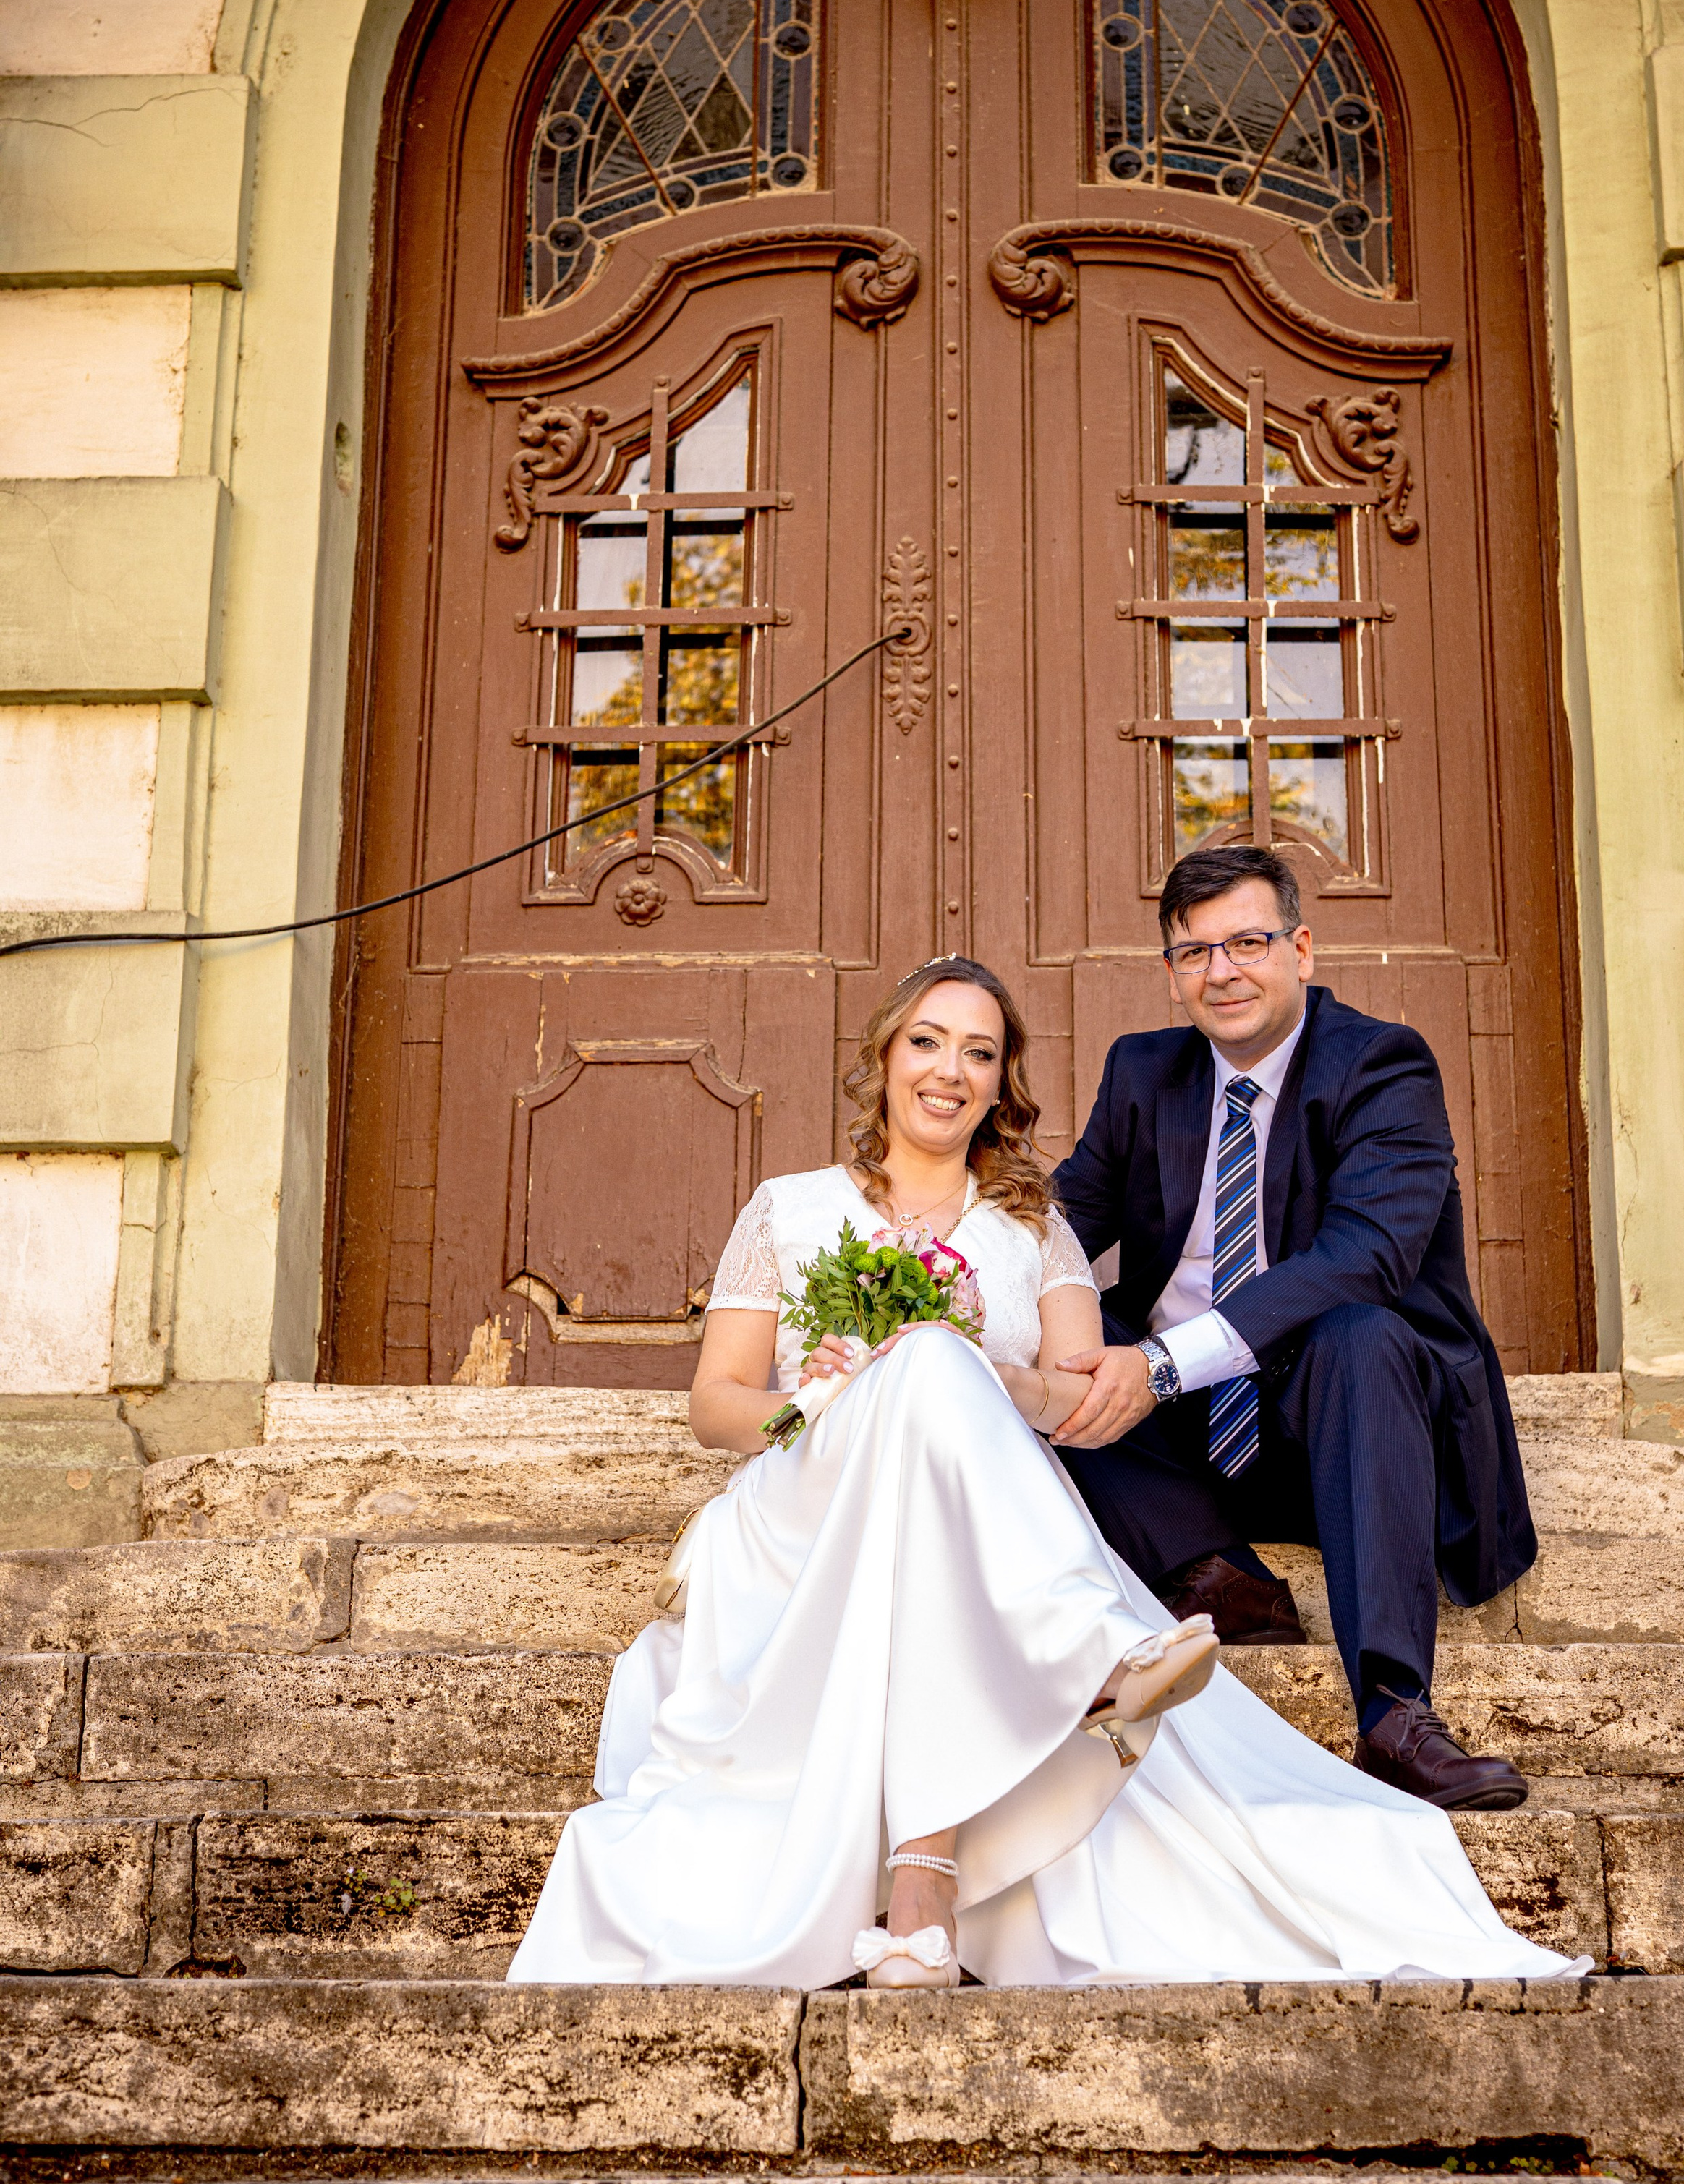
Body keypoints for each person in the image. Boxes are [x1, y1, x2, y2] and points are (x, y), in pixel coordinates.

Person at [507, 955, 1582, 1987]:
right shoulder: (789, 1207)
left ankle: (924, 1890)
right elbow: (714, 1404)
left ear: (999, 1086)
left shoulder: (1035, 1230)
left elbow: (1082, 1402)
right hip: (810, 1503)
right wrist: (820, 1398)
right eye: (927, 1043)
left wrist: (984, 1374)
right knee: (920, 1363)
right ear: (883, 1060)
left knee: (938, 1362)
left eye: (979, 1055)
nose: (949, 1071)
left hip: (961, 1526)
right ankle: (1086, 1654)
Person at [1052, 845, 1536, 1812]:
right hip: (1185, 1451)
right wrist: (926, 1297)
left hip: (1348, 1434)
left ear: (1301, 949)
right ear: (1172, 972)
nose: (1221, 971)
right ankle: (1217, 1573)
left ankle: (1396, 1715)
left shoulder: (1383, 1064)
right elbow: (1057, 1227)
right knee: (1049, 1326)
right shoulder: (1143, 1071)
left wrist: (1161, 1362)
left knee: (1361, 1331)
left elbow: (1366, 1255)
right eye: (1195, 952)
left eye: (1247, 942)